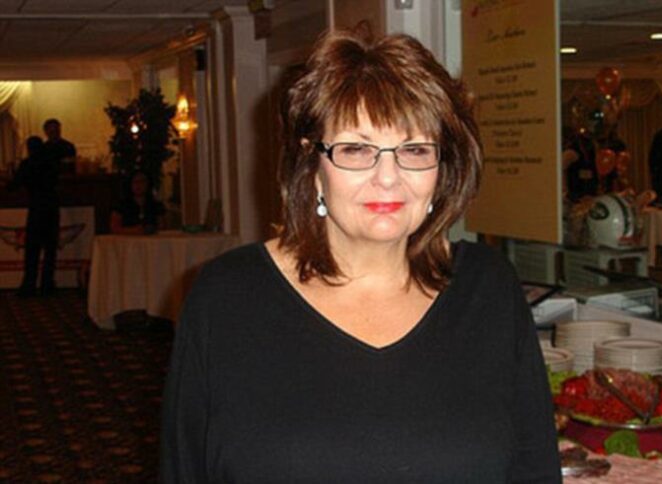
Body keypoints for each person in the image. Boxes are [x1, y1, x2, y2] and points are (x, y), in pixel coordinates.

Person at [161, 31, 561, 483]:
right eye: (356, 149)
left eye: (414, 150)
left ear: (442, 168)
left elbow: (534, 469)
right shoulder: (226, 296)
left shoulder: (489, 286)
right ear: (312, 166)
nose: (388, 177)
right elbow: (184, 470)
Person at [7, 136, 60, 297]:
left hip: (36, 209)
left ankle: (29, 285)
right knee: (50, 250)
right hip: (51, 208)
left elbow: (13, 186)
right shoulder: (51, 163)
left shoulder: (27, 164)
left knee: (32, 250)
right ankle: (47, 285)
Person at [110, 170, 165, 235]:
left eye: (142, 181)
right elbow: (114, 228)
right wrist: (133, 230)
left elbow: (162, 227)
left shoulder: (156, 205)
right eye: (135, 182)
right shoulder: (120, 205)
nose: (138, 185)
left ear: (148, 184)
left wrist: (151, 229)